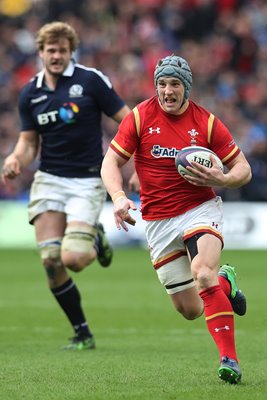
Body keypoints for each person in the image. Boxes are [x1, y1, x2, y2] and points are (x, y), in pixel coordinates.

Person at [100, 55, 252, 383]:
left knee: (202, 274)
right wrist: (119, 198)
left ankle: (230, 360)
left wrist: (223, 179)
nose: (168, 91)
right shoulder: (139, 117)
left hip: (200, 209)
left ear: (186, 87)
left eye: (175, 84)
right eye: (162, 84)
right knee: (191, 309)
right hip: (157, 221)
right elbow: (110, 163)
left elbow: (243, 169)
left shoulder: (207, 122)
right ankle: (227, 282)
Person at [1, 21, 131, 350]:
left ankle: (95, 236)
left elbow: (129, 121)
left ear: (71, 51)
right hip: (49, 179)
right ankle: (82, 333)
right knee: (50, 261)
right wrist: (16, 159)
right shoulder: (31, 93)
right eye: (50, 50)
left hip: (87, 179)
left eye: (62, 50)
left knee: (73, 258)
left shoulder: (90, 80)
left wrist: (133, 162)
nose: (56, 55)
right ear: (41, 52)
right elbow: (28, 143)